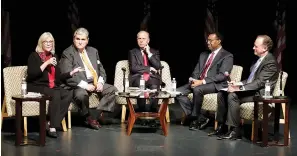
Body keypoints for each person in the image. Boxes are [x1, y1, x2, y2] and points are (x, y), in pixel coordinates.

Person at [210, 35, 279, 140]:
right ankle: (222, 126)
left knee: (233, 95)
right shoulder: (258, 60)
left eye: (256, 46)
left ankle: (235, 131)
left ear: (265, 48)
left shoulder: (270, 62)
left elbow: (259, 83)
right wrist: (238, 83)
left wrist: (238, 89)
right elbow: (250, 79)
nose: (253, 48)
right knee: (222, 92)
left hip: (260, 94)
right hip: (252, 90)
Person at [59, 27, 118, 130]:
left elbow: (101, 70)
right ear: (73, 39)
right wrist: (86, 85)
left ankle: (94, 117)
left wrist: (100, 82)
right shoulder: (67, 53)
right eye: (78, 39)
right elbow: (68, 76)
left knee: (112, 90)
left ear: (87, 40)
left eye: (83, 39)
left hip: (94, 81)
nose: (80, 42)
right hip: (79, 84)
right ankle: (88, 117)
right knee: (81, 95)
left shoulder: (93, 51)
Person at [27, 32, 82, 138]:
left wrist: (71, 73)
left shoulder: (54, 56)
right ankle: (53, 127)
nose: (48, 44)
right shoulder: (34, 56)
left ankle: (51, 122)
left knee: (68, 93)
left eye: (50, 42)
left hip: (51, 86)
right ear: (41, 43)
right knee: (55, 93)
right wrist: (47, 63)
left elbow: (58, 77)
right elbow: (32, 74)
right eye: (46, 42)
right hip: (36, 85)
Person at [175, 32, 234, 131]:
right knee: (177, 92)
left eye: (211, 40)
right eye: (207, 40)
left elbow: (222, 76)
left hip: (216, 84)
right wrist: (193, 79)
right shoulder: (203, 54)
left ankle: (196, 118)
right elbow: (197, 70)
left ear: (219, 41)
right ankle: (201, 117)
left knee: (198, 89)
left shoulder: (227, 56)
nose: (208, 42)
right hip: (199, 82)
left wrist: (202, 81)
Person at [128, 30, 162, 127]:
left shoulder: (154, 52)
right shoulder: (133, 52)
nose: (141, 41)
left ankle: (152, 114)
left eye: (144, 38)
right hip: (137, 77)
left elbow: (158, 66)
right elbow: (134, 67)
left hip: (152, 77)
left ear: (148, 40)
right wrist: (149, 68)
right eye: (139, 38)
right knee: (140, 83)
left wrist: (149, 53)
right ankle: (142, 114)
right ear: (137, 40)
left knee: (154, 84)